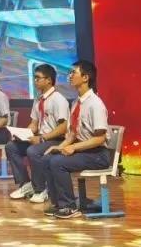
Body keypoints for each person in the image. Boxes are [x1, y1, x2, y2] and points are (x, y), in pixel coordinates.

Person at [42, 60, 112, 219]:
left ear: (85, 77)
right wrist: (60, 147)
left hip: (98, 154)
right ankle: (58, 203)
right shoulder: (76, 103)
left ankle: (69, 206)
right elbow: (72, 134)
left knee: (58, 162)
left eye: (74, 72)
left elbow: (99, 138)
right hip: (85, 151)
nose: (70, 76)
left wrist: (74, 147)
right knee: (47, 158)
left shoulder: (95, 104)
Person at [4, 63, 69, 204]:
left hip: (56, 139)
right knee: (11, 146)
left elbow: (63, 127)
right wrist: (23, 134)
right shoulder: (38, 99)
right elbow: (34, 123)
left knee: (33, 151)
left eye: (38, 78)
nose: (35, 81)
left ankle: (41, 189)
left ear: (49, 80)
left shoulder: (58, 99)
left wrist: (42, 138)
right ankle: (26, 184)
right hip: (41, 137)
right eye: (34, 78)